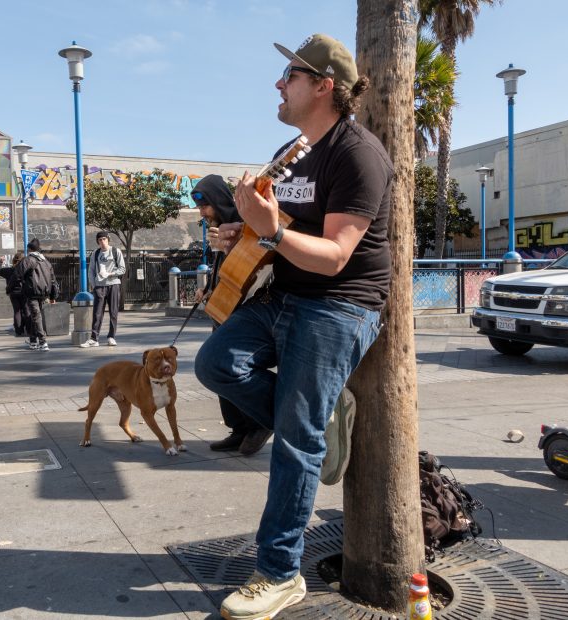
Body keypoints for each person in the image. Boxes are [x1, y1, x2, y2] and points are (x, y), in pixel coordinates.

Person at [194, 34, 393, 620]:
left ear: (324, 85)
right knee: (215, 364)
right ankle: (314, 414)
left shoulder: (357, 154)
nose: (279, 84)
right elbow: (275, 226)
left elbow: (333, 254)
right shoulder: (294, 150)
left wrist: (272, 231)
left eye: (290, 75)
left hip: (340, 304)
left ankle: (280, 575)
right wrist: (242, 233)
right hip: (286, 293)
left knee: (296, 445)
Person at [191, 175, 273, 456]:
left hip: (246, 306)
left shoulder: (241, 220)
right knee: (218, 368)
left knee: (231, 366)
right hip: (224, 304)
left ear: (216, 199)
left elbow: (253, 258)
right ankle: (238, 428)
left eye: (205, 206)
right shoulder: (217, 226)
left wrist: (228, 245)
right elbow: (224, 267)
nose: (202, 213)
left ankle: (258, 422)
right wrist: (209, 288)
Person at [12, 238, 59, 352]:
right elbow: (53, 281)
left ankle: (43, 341)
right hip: (43, 293)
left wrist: (13, 287)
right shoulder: (46, 262)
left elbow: (17, 274)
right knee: (35, 316)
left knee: (36, 316)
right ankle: (33, 341)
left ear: (29, 249)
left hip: (31, 292)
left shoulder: (28, 260)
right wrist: (53, 296)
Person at [81, 231, 126, 347]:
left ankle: (111, 336)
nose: (102, 242)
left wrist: (110, 274)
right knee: (97, 313)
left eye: (104, 239)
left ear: (108, 239)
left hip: (114, 284)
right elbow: (91, 270)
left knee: (113, 312)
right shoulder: (95, 253)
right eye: (100, 240)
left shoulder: (116, 251)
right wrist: (94, 284)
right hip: (100, 286)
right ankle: (94, 338)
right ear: (97, 241)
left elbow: (122, 269)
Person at [0, 251, 27, 336]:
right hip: (24, 292)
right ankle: (27, 328)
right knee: (25, 310)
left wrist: (0, 262)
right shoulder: (25, 270)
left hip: (13, 293)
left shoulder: (9, 270)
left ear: (13, 260)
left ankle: (18, 330)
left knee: (17, 311)